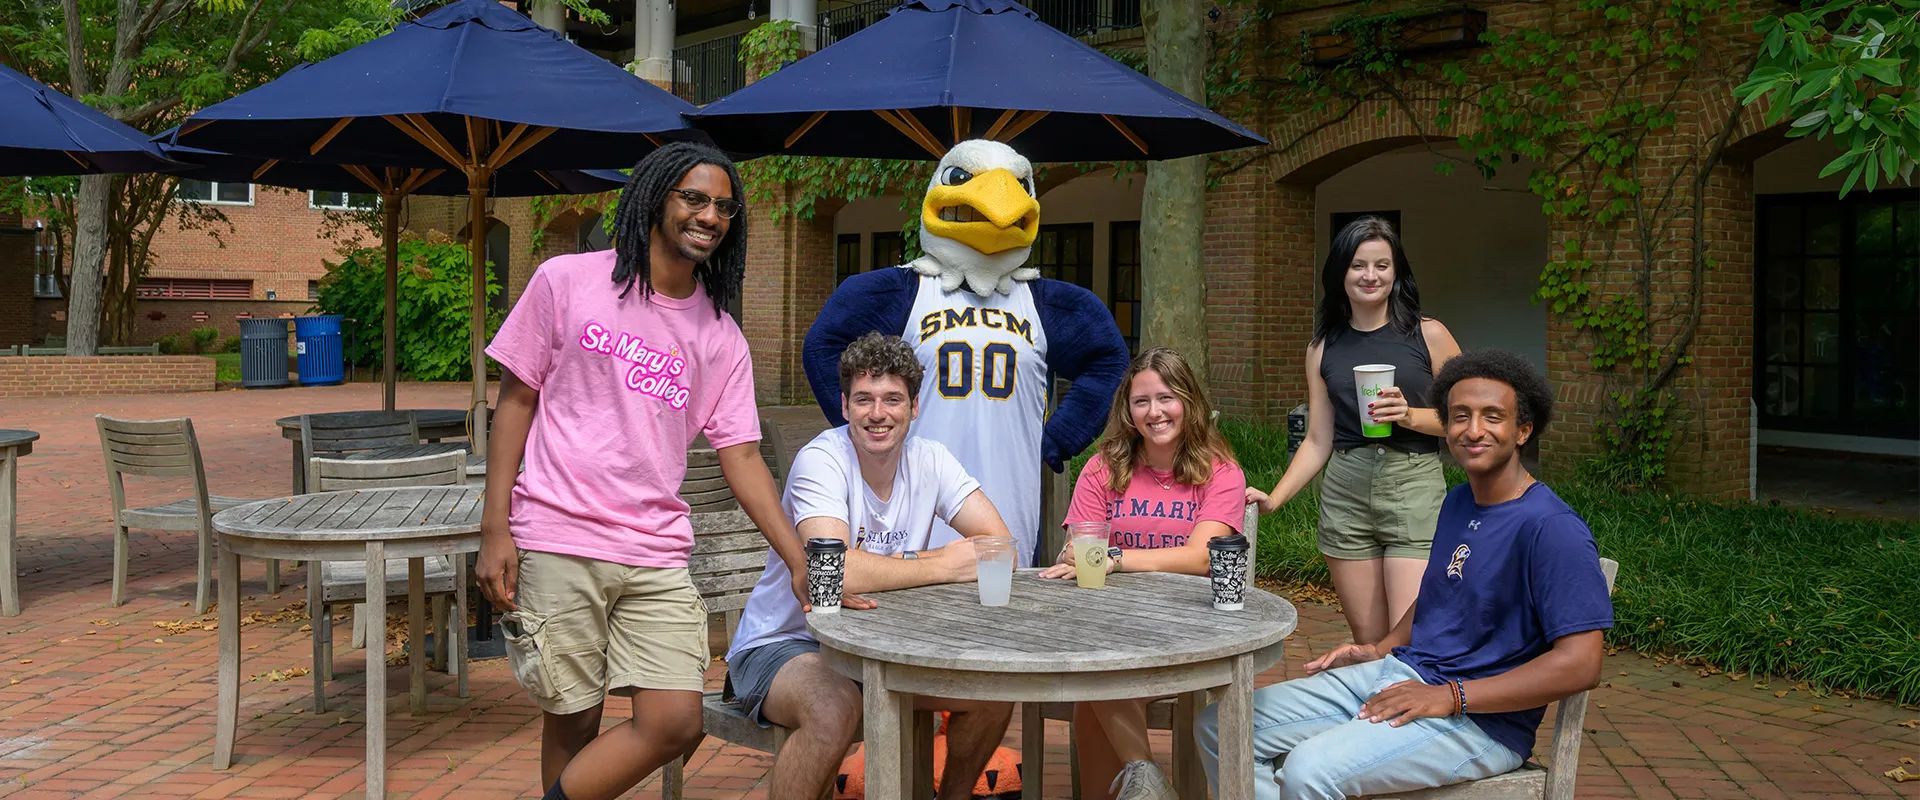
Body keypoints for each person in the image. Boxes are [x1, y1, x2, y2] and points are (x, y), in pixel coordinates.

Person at [475, 142, 813, 800]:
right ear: (655, 199)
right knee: (573, 719)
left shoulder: (720, 335)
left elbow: (741, 454)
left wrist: (796, 556)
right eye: (694, 198)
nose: (710, 215)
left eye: (723, 206)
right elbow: (515, 401)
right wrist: (495, 528)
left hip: (654, 550)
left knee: (674, 721)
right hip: (557, 533)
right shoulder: (567, 281)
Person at [1195, 349, 1614, 800]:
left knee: (1309, 771)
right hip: (1401, 676)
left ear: (1522, 431)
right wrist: (1379, 648)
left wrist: (1451, 696)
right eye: (1459, 416)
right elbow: (1441, 592)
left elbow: (1582, 664)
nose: (1473, 430)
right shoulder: (1458, 502)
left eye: (1492, 417)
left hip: (1479, 723)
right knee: (1222, 725)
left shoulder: (1551, 529)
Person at [727, 332, 1018, 800]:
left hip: (879, 651)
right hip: (786, 643)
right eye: (863, 399)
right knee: (834, 706)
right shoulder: (822, 459)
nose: (878, 414)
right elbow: (830, 573)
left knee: (990, 689)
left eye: (892, 399)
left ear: (914, 407)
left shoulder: (931, 460)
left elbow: (1000, 547)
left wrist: (895, 564)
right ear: (844, 406)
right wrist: (942, 563)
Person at [1038, 347, 1248, 800]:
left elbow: (1201, 557)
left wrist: (1114, 560)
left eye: (1166, 398)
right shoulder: (1102, 467)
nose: (1155, 412)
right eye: (1141, 401)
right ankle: (1144, 779)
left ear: (1188, 402)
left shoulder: (1220, 472)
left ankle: (1144, 778)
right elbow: (1079, 549)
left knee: (1095, 672)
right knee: (1099, 661)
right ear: (1128, 410)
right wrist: (1084, 556)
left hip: (1185, 625)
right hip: (1107, 621)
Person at [1246, 216, 1461, 645]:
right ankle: (1371, 711)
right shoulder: (1321, 348)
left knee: (1407, 638)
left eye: (1382, 265)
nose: (1370, 275)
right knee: (1368, 640)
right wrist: (1276, 497)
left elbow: (1467, 418)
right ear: (1340, 272)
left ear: (1396, 272)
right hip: (1346, 491)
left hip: (1413, 487)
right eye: (1359, 265)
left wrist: (1409, 416)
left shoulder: (1428, 335)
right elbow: (1318, 439)